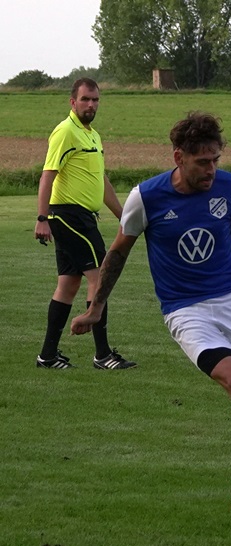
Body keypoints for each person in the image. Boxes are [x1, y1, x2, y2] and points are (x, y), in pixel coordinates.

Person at [71, 112, 231, 509]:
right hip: (185, 311)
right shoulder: (146, 197)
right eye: (202, 162)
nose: (211, 169)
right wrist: (96, 307)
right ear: (178, 157)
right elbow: (117, 253)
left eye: (216, 159)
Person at [34, 78, 136, 370]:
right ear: (73, 102)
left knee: (68, 284)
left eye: (95, 100)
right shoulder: (65, 131)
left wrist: (123, 215)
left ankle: (47, 356)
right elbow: (48, 175)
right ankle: (102, 355)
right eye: (85, 99)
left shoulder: (93, 136)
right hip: (69, 216)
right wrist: (42, 218)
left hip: (81, 217)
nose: (91, 105)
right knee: (101, 276)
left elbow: (100, 180)